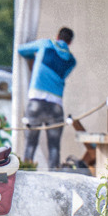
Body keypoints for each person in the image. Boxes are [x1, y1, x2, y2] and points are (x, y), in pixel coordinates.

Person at [18, 27, 76, 170]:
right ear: (70, 42)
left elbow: (21, 50)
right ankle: (54, 176)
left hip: (36, 101)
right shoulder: (71, 60)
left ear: (57, 36)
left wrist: (35, 58)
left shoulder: (45, 44)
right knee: (54, 147)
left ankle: (27, 172)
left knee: (30, 145)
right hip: (56, 105)